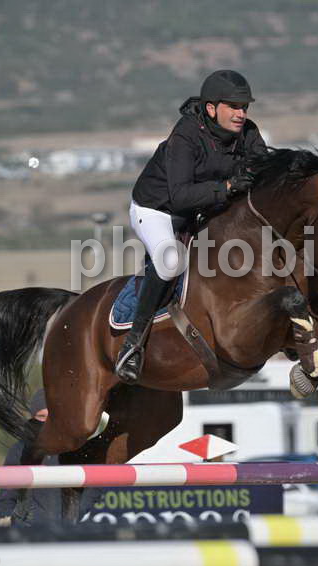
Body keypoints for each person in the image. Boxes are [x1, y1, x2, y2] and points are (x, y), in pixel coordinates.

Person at [115, 69, 268, 383]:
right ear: (211, 108)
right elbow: (181, 196)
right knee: (170, 261)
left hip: (202, 210)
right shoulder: (186, 135)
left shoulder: (248, 133)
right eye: (233, 107)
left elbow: (266, 172)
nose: (241, 114)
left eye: (244, 107)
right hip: (158, 210)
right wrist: (228, 187)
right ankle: (134, 343)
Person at [0, 391, 60, 526]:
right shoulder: (18, 450)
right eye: (41, 416)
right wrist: (11, 522)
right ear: (33, 418)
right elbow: (7, 496)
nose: (46, 421)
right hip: (28, 530)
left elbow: (91, 488)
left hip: (67, 531)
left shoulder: (72, 449)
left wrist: (78, 514)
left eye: (51, 416)